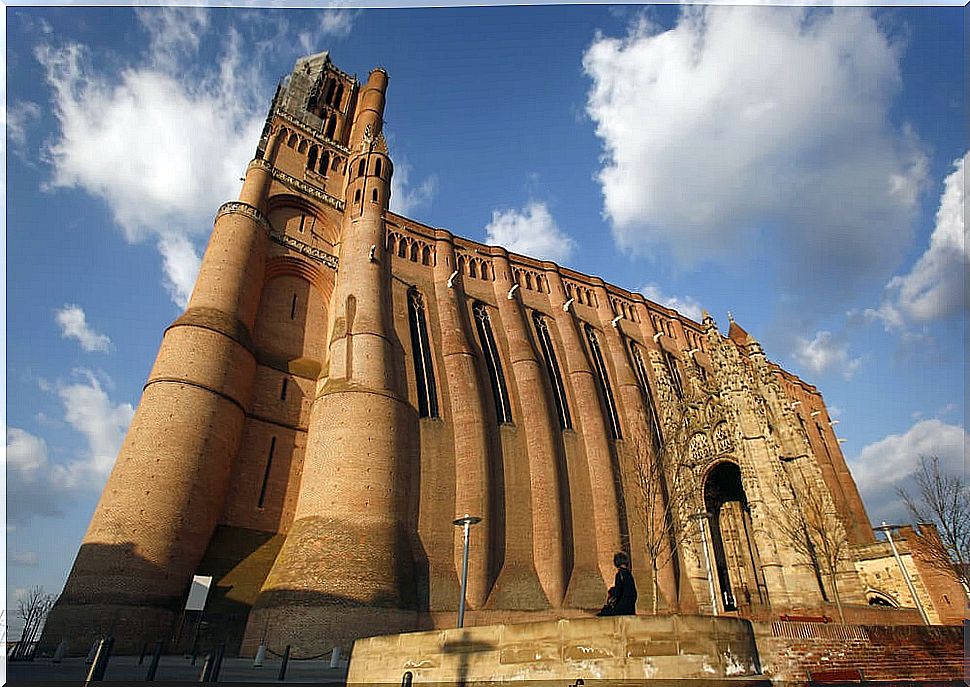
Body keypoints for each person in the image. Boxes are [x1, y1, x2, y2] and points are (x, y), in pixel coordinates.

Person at [596, 551, 637, 616]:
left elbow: (617, 591)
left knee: (603, 613)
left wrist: (611, 591)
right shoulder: (629, 574)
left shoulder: (619, 574)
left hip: (622, 608)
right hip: (630, 608)